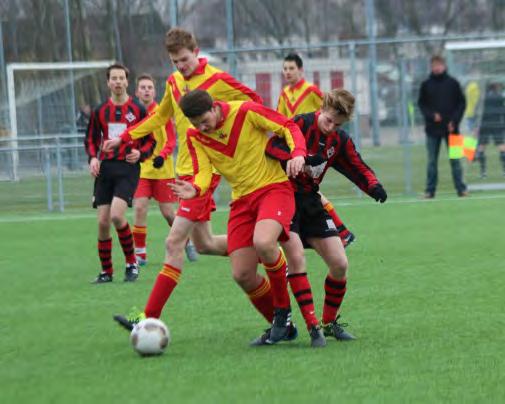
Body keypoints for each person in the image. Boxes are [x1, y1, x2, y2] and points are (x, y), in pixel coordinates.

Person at [103, 28, 264, 329]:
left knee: (173, 241)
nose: (181, 66)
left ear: (196, 51)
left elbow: (253, 102)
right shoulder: (174, 82)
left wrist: (241, 139)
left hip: (205, 173)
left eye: (185, 60)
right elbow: (159, 117)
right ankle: (264, 245)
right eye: (175, 61)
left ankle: (146, 317)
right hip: (184, 173)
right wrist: (124, 137)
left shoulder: (217, 79)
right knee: (203, 244)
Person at [265, 88, 387, 344]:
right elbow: (271, 146)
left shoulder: (339, 140)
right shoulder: (299, 123)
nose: (331, 127)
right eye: (328, 120)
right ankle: (311, 327)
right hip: (285, 197)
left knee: (340, 264)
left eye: (337, 124)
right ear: (322, 109)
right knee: (296, 259)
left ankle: (329, 323)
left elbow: (357, 166)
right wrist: (296, 157)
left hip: (311, 202)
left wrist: (373, 186)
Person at [84, 63, 155, 284]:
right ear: (108, 83)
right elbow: (91, 139)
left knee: (117, 215)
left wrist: (139, 153)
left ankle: (131, 264)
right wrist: (94, 158)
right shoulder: (99, 111)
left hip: (127, 169)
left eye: (121, 78)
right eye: (113, 78)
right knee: (103, 222)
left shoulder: (138, 109)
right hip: (106, 169)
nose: (117, 82)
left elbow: (151, 140)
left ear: (126, 82)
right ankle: (106, 272)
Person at [277, 52, 355, 248]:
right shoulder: (284, 94)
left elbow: (332, 110)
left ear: (301, 70)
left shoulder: (311, 90)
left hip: (312, 151)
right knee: (306, 193)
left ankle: (339, 232)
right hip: (293, 151)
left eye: (291, 68)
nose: (287, 72)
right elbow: (280, 120)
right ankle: (341, 231)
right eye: (285, 68)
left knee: (309, 192)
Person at [131, 73, 197, 266]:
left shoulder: (162, 112)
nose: (146, 90)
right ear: (137, 92)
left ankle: (187, 242)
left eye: (149, 87)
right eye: (142, 87)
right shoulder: (133, 114)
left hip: (162, 170)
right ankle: (140, 254)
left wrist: (162, 155)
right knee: (140, 207)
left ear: (154, 91)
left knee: (168, 212)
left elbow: (171, 140)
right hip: (142, 170)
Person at [418, 55, 468, 198]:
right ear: (431, 67)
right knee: (432, 162)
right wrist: (432, 115)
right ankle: (430, 191)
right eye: (434, 65)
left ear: (444, 66)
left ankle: (461, 189)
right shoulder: (426, 85)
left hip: (453, 130)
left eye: (439, 65)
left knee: (456, 160)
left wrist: (455, 121)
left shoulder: (453, 83)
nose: (437, 68)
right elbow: (422, 104)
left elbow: (461, 104)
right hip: (432, 130)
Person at [476, 81, 505, 178]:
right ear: (495, 87)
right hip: (497, 124)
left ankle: (483, 173)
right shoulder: (500, 97)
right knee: (501, 147)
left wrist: (477, 126)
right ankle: (504, 171)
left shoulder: (483, 98)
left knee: (481, 148)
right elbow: (503, 111)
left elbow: (479, 112)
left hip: (485, 124)